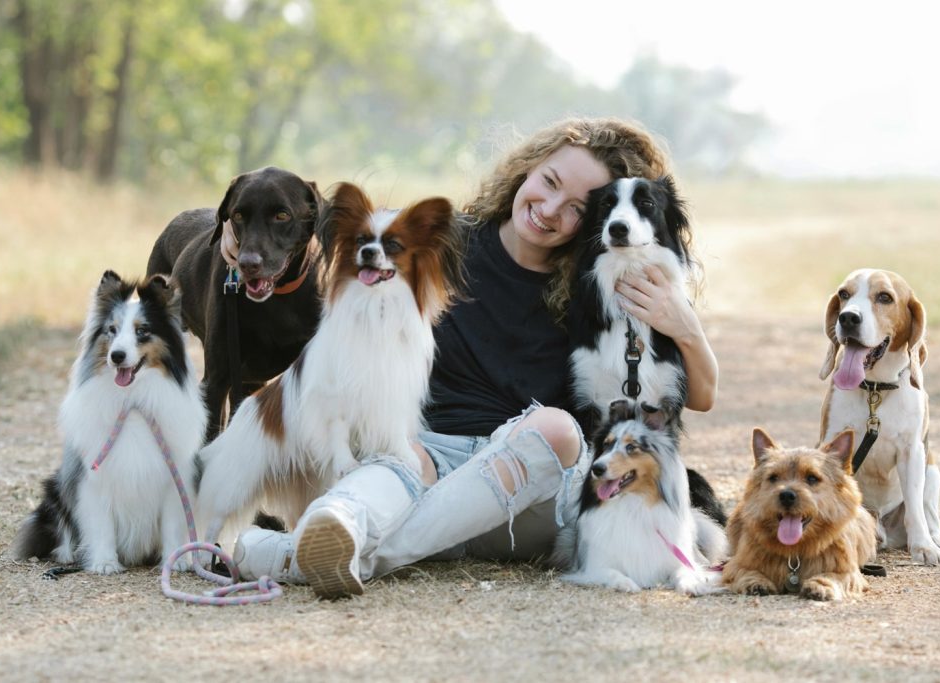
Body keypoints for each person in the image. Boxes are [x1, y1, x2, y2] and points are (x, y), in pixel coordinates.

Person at [227, 116, 719, 598]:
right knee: (397, 453)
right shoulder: (441, 243)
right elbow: (336, 231)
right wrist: (235, 240)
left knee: (557, 430)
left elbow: (699, 395)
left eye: (574, 207)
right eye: (548, 182)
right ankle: (338, 531)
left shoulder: (595, 290)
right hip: (426, 458)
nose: (549, 208)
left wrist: (686, 326)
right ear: (526, 168)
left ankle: (294, 554)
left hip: (527, 487)